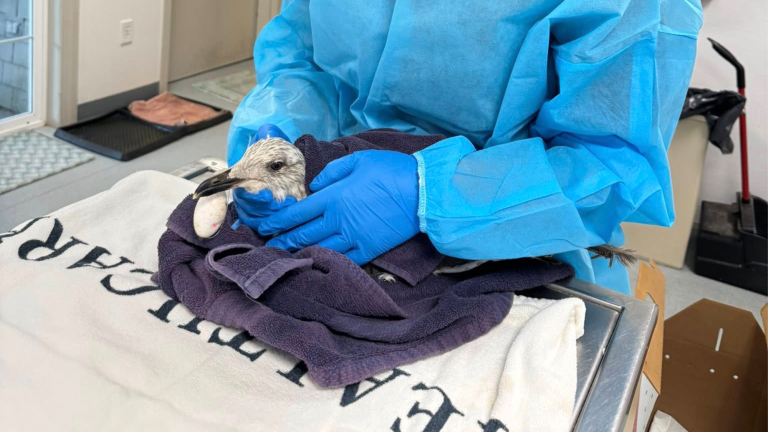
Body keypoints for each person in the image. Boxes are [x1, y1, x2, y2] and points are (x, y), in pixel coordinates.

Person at [227, 0, 703, 295]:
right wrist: (276, 136)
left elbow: (612, 162)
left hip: (516, 236)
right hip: (330, 191)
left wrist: (435, 194)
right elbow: (303, 59)